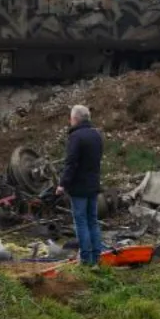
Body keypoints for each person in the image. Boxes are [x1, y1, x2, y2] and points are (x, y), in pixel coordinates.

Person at [56, 105, 103, 267]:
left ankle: (85, 259)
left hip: (79, 188)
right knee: (93, 221)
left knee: (81, 222)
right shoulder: (96, 135)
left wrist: (62, 184)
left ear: (75, 119)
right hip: (93, 185)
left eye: (71, 118)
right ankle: (97, 258)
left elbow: (71, 163)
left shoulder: (76, 137)